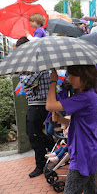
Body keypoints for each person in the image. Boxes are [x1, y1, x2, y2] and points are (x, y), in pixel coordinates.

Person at [46, 66, 97, 193]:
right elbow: (80, 123)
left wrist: (53, 81)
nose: (69, 79)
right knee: (91, 190)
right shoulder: (87, 95)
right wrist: (61, 120)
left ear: (85, 76)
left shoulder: (85, 97)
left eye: (72, 75)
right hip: (88, 149)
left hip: (84, 152)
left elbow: (49, 105)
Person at [16, 37, 54, 178]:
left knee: (34, 134)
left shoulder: (36, 62)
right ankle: (54, 148)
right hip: (34, 103)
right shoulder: (29, 63)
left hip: (40, 103)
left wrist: (22, 76)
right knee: (32, 132)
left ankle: (40, 165)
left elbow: (28, 81)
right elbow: (27, 82)